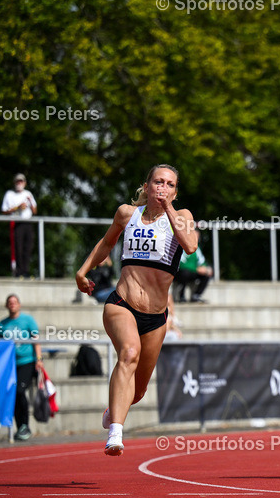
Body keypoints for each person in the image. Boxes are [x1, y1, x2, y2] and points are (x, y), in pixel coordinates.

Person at [76, 164, 198, 455]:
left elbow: (190, 246)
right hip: (121, 303)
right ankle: (115, 433)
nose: (162, 188)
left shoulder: (181, 217)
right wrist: (82, 272)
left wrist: (168, 209)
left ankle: (113, 410)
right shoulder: (126, 214)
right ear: (146, 186)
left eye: (169, 184)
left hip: (155, 318)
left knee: (139, 390)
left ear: (175, 192)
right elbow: (106, 243)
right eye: (158, 182)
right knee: (129, 353)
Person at [0, 294, 42, 441]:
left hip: (27, 362)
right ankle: (20, 427)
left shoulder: (28, 320)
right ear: (6, 305)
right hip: (10, 364)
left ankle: (25, 426)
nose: (12, 305)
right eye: (9, 302)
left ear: (19, 305)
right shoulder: (2, 324)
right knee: (13, 394)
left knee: (20, 391)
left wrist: (39, 359)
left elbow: (36, 340)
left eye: (14, 302)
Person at [1, 173, 38, 278]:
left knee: (28, 247)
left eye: (21, 181)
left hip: (28, 223)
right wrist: (18, 207)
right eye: (17, 181)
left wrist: (29, 204)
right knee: (18, 248)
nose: (19, 183)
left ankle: (26, 271)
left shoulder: (28, 194)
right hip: (17, 223)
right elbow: (4, 211)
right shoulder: (9, 195)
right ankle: (18, 271)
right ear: (14, 183)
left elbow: (35, 211)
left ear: (25, 183)